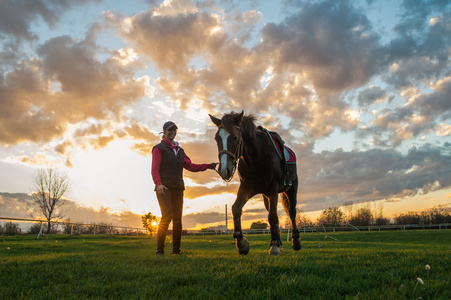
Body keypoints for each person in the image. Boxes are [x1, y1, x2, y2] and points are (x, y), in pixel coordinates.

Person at [151, 121, 217, 255]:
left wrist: (209, 166)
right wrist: (158, 184)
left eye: (174, 130)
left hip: (178, 188)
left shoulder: (180, 151)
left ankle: (176, 251)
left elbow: (191, 166)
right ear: (164, 132)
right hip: (164, 188)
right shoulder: (159, 148)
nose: (172, 132)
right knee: (166, 217)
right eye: (169, 130)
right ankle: (160, 251)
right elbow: (154, 169)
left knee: (177, 219)